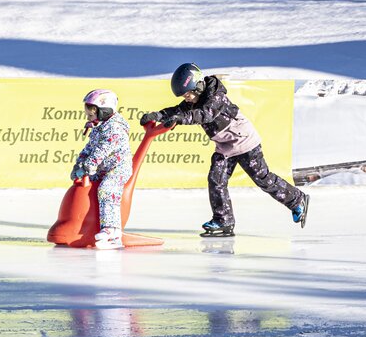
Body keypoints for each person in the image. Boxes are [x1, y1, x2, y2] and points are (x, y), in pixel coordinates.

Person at [140, 63, 308, 237]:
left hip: (244, 141)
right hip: (225, 146)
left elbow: (205, 114)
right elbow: (177, 110)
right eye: (184, 96)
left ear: (198, 85)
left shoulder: (215, 96)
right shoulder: (193, 101)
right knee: (216, 179)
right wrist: (158, 115)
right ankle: (223, 220)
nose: (187, 98)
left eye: (188, 94)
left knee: (262, 178)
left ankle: (296, 199)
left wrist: (180, 119)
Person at [70, 89, 132, 250]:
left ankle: (112, 231)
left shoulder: (115, 128)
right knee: (85, 187)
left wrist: (89, 164)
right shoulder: (99, 126)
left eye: (91, 114)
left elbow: (103, 149)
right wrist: (79, 164)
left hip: (118, 169)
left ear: (104, 110)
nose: (88, 117)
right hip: (102, 169)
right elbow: (89, 148)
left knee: (107, 189)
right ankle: (82, 226)